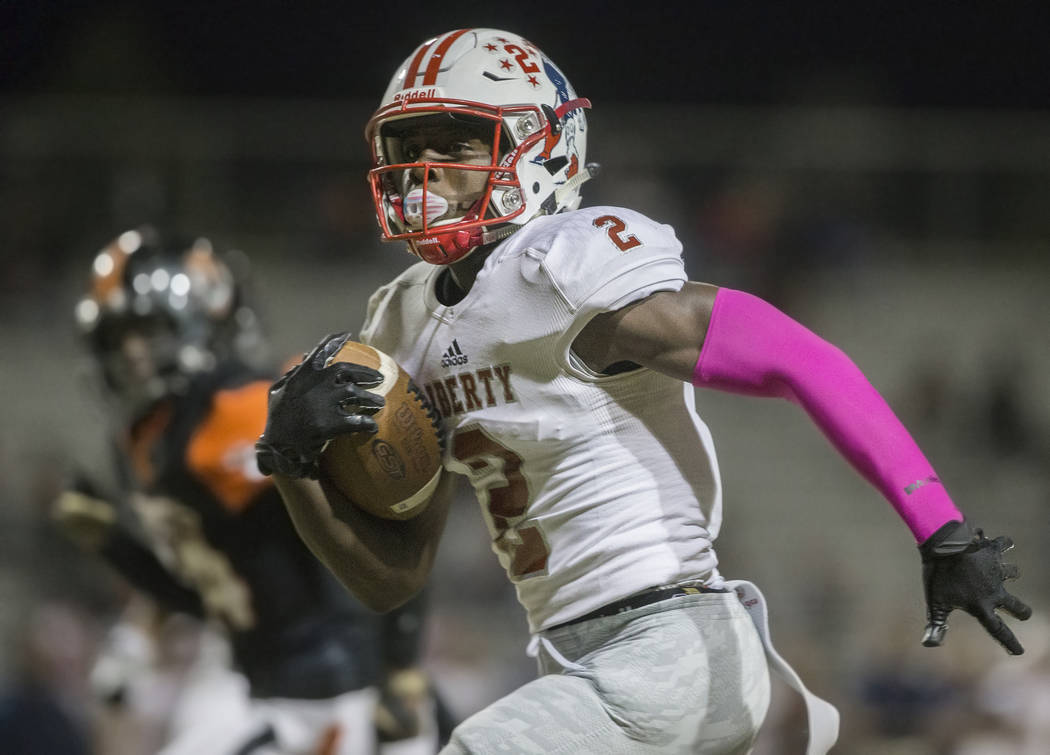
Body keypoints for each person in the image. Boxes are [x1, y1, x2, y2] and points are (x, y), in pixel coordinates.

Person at [253, 28, 1031, 754]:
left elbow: (803, 359)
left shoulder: (564, 266)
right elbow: (390, 579)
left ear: (539, 146)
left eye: (455, 142)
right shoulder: (402, 317)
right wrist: (292, 463)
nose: (424, 168)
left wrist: (942, 527)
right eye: (408, 145)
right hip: (579, 664)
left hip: (676, 647)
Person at [56, 226, 450, 754]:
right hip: (266, 687)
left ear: (202, 316)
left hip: (339, 695)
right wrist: (115, 546)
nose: (129, 353)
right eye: (115, 338)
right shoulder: (143, 437)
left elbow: (386, 524)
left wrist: (401, 670)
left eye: (144, 331)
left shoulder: (242, 410)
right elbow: (216, 598)